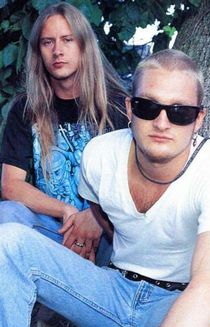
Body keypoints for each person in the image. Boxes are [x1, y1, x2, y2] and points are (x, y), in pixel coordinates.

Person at [0, 49, 210, 327]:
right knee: (7, 241)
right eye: (147, 107)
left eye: (180, 112)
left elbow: (209, 293)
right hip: (113, 294)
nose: (161, 122)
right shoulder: (99, 154)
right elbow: (103, 220)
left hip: (175, 304)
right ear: (128, 108)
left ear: (199, 119)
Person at [0, 2, 128, 263]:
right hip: (55, 229)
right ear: (39, 52)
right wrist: (66, 211)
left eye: (67, 40)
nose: (57, 51)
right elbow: (10, 185)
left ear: (83, 45)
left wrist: (96, 216)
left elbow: (140, 185)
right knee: (8, 214)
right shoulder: (26, 109)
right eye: (48, 42)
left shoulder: (118, 107)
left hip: (107, 233)